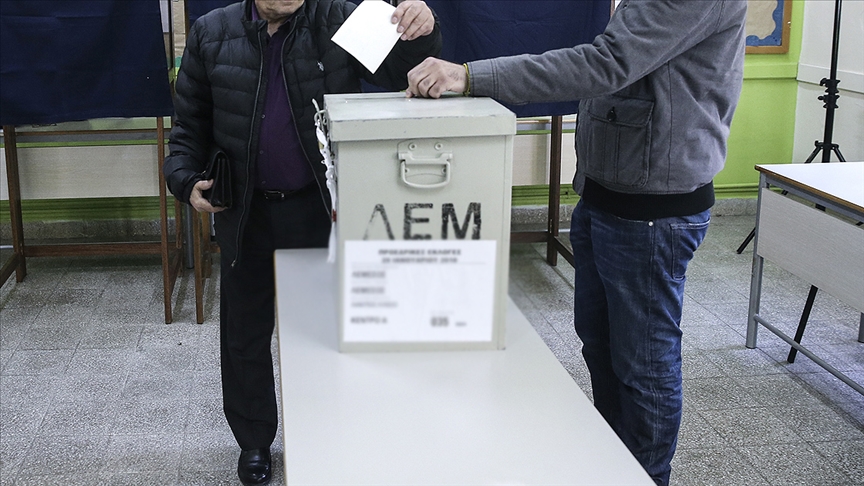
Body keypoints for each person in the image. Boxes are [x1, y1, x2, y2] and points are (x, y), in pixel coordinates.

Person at [405, 1, 746, 484]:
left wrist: (471, 75)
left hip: (651, 211)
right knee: (603, 351)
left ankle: (645, 476)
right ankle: (612, 464)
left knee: (643, 366)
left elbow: (606, 63)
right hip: (607, 195)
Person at [164, 0, 441, 484]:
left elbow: (406, 73)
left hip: (317, 209)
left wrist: (420, 31)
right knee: (245, 335)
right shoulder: (211, 33)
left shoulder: (340, 19)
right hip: (244, 211)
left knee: (322, 334)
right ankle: (254, 442)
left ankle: (327, 431)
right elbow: (189, 126)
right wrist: (185, 180)